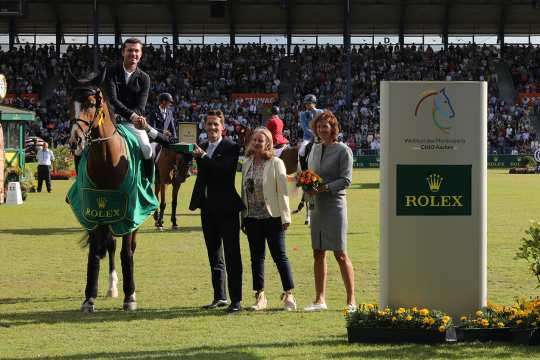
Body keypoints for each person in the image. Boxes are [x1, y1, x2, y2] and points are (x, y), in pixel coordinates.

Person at [189, 109, 244, 313]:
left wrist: (203, 157)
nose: (212, 127)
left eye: (216, 124)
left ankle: (236, 300)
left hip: (227, 209)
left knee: (232, 254)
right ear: (204, 126)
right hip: (207, 209)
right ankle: (220, 296)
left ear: (223, 127)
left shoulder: (231, 147)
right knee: (214, 254)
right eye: (209, 124)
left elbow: (222, 172)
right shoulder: (201, 146)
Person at [303, 110, 356, 312]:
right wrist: (305, 182)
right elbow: (310, 174)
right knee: (318, 252)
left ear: (333, 128)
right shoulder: (314, 149)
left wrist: (325, 188)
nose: (322, 129)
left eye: (326, 126)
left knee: (340, 253)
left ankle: (351, 301)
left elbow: (346, 180)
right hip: (317, 206)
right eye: (319, 126)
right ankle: (319, 300)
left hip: (335, 205)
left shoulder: (343, 150)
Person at [241, 127, 296, 311]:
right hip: (252, 217)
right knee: (256, 258)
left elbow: (283, 192)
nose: (257, 143)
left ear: (268, 144)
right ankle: (260, 296)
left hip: (273, 217)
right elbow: (244, 191)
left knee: (279, 257)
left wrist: (286, 216)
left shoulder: (276, 162)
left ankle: (289, 295)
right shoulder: (247, 162)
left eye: (261, 140)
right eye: (255, 139)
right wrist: (243, 216)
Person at [104, 37, 153, 179]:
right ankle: (79, 183)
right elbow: (112, 100)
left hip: (133, 123)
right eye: (130, 50)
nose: (133, 54)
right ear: (123, 52)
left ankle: (148, 184)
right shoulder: (111, 71)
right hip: (110, 119)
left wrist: (132, 117)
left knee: (146, 148)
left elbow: (141, 106)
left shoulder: (144, 78)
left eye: (137, 51)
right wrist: (131, 115)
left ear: (141, 54)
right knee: (82, 147)